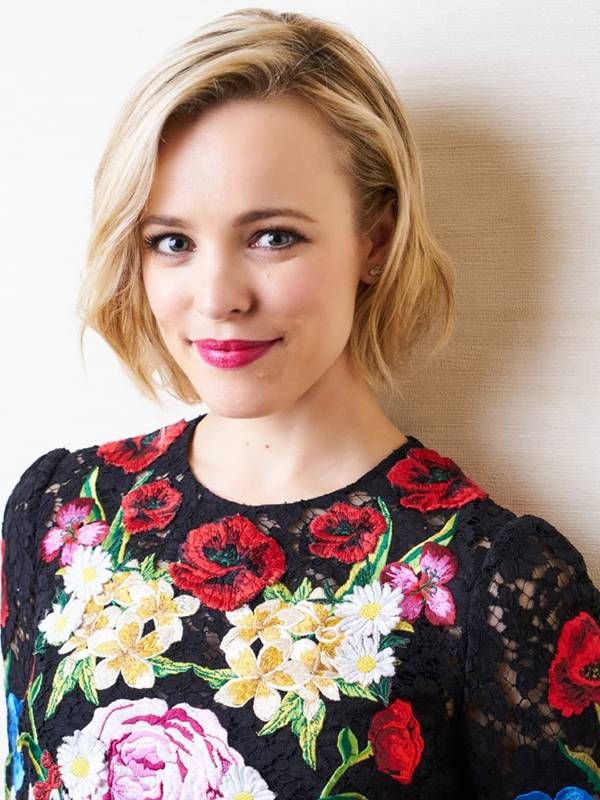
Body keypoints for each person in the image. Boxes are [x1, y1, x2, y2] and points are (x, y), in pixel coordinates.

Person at [1, 8, 599, 800]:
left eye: (272, 236)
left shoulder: (499, 583)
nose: (218, 297)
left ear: (375, 240)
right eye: (172, 241)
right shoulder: (58, 514)